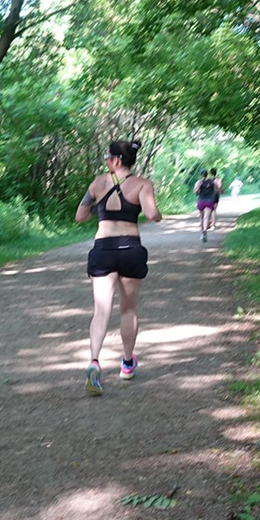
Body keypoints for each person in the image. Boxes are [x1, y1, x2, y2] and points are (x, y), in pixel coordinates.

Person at [75, 140, 162, 397]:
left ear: (115, 160)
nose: (105, 161)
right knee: (128, 309)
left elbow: (80, 216)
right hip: (130, 249)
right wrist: (158, 215)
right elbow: (151, 214)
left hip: (103, 249)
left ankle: (93, 362)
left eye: (107, 157)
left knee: (101, 311)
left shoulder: (98, 184)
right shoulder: (142, 184)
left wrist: (95, 205)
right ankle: (126, 363)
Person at [194, 169, 217, 242]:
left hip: (201, 201)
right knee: (206, 217)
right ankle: (204, 232)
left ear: (201, 175)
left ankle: (202, 232)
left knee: (201, 217)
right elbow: (216, 191)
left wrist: (198, 187)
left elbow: (195, 192)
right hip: (209, 201)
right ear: (207, 175)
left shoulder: (199, 182)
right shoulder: (211, 182)